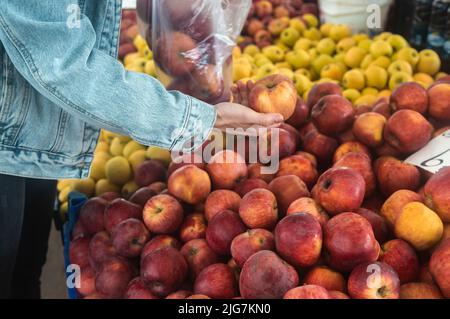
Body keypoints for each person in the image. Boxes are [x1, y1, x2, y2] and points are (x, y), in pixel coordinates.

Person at [0, 1, 282, 299]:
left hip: (30, 134)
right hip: (10, 134)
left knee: (24, 271)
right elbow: (62, 64)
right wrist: (204, 116)